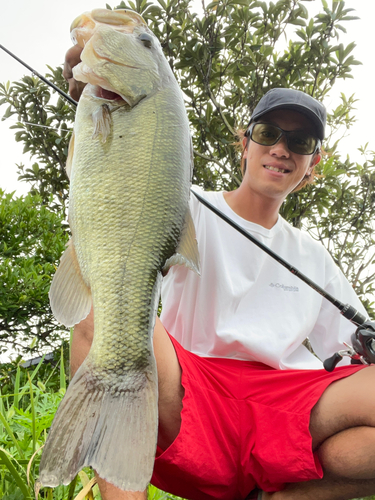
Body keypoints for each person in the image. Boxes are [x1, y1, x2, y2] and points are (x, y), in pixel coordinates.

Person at [64, 46, 375, 500]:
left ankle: (286, 497)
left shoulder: (314, 255)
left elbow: (356, 351)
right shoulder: (183, 202)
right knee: (101, 312)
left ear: (313, 164)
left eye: (300, 142)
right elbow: (113, 175)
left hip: (285, 405)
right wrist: (97, 99)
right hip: (189, 394)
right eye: (269, 133)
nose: (281, 149)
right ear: (244, 143)